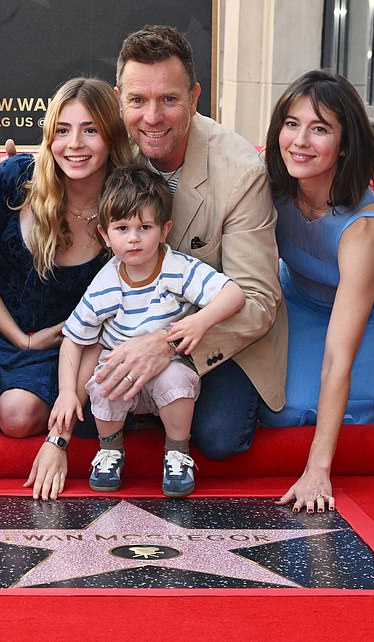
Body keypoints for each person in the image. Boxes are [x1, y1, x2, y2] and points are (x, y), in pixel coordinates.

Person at [0, 26, 286, 475]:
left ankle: (157, 412)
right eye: (138, 100)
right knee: (91, 420)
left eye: (169, 99)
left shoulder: (241, 173)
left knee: (219, 436)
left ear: (195, 96)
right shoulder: (119, 147)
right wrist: (9, 168)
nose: (152, 117)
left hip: (215, 329)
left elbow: (258, 301)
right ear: (121, 100)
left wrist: (166, 345)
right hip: (124, 321)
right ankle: (138, 414)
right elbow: (65, 152)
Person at [0, 77, 134, 459]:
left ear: (111, 135)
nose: (74, 145)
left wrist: (45, 343)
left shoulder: (124, 206)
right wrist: (20, 338)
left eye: (90, 131)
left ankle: (0, 407)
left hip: (55, 340)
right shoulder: (18, 178)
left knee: (18, 418)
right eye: (62, 130)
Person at [259, 70, 374, 513]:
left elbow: (338, 356)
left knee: (353, 414)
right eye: (291, 124)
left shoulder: (364, 224)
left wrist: (318, 469)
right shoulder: (271, 185)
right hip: (302, 298)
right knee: (286, 413)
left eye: (320, 129)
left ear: (345, 143)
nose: (300, 140)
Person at [51, 165, 245, 499]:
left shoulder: (177, 269)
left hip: (166, 368)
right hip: (124, 372)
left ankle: (177, 451)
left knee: (177, 380)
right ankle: (111, 450)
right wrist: (67, 392)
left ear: (164, 230)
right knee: (102, 380)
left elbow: (234, 294)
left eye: (145, 227)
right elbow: (73, 338)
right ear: (104, 236)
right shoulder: (104, 285)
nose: (134, 238)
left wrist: (200, 320)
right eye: (122, 228)